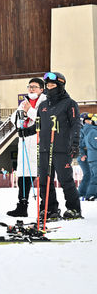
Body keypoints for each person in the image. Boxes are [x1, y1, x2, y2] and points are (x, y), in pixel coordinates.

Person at [36, 72, 82, 221]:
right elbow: (39, 126)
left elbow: (76, 124)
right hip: (44, 149)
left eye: (52, 85)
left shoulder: (69, 104)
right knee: (45, 181)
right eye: (47, 85)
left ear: (60, 86)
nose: (49, 88)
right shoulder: (42, 105)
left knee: (65, 180)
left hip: (61, 149)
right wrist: (24, 130)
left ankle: (73, 208)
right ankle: (50, 209)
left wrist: (75, 144)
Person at [6, 78, 46, 217]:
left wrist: (29, 111)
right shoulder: (24, 102)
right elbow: (13, 119)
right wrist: (21, 114)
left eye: (34, 87)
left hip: (38, 140)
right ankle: (22, 206)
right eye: (29, 87)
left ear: (41, 89)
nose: (31, 89)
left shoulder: (45, 101)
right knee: (23, 174)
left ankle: (45, 206)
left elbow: (43, 119)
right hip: (24, 141)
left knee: (39, 173)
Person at [77, 112, 94, 200]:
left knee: (92, 174)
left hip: (90, 154)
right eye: (87, 120)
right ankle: (80, 193)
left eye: (90, 120)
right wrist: (82, 154)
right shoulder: (81, 130)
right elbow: (78, 144)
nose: (89, 122)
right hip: (83, 155)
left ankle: (89, 192)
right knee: (87, 174)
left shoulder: (90, 129)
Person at [83, 115, 97, 201]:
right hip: (95, 158)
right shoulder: (93, 132)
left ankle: (93, 193)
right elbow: (95, 144)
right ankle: (90, 194)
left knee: (94, 176)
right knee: (95, 177)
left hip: (93, 157)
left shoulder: (91, 131)